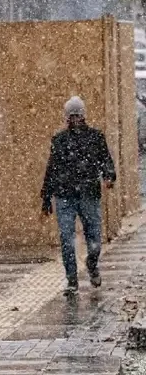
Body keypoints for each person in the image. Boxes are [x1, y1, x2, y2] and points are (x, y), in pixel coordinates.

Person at [41, 96, 116, 294]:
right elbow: (52, 168)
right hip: (65, 195)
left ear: (83, 116)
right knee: (66, 239)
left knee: (94, 238)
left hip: (88, 194)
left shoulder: (95, 137)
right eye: (71, 116)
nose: (74, 119)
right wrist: (46, 196)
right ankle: (72, 279)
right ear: (66, 117)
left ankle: (92, 264)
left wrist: (109, 175)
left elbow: (105, 159)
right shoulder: (59, 140)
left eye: (77, 115)